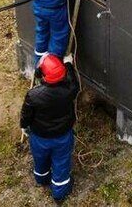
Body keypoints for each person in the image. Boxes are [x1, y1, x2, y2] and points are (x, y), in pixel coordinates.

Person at [21, 53, 80, 203]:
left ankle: (41, 178)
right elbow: (74, 84)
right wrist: (68, 64)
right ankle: (59, 192)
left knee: (40, 158)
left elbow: (26, 114)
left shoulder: (33, 95)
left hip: (39, 138)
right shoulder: (68, 91)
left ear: (42, 75)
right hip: (62, 137)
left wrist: (23, 126)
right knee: (61, 162)